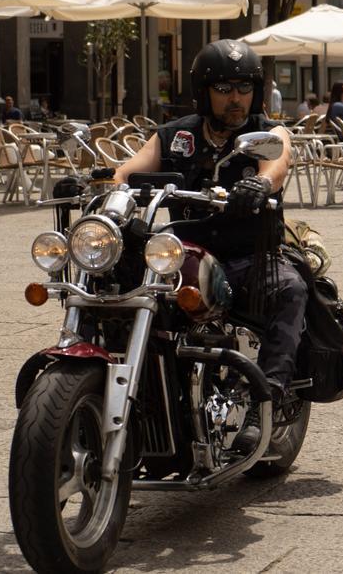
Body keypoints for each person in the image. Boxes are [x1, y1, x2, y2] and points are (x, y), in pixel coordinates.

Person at [113, 39, 303, 421]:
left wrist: (261, 185)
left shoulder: (267, 134)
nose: (236, 98)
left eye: (244, 88)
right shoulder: (174, 136)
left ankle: (270, 399)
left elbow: (277, 164)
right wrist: (110, 195)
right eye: (223, 88)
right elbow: (126, 172)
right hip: (184, 257)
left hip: (250, 255)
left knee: (291, 289)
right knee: (119, 285)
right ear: (203, 92)